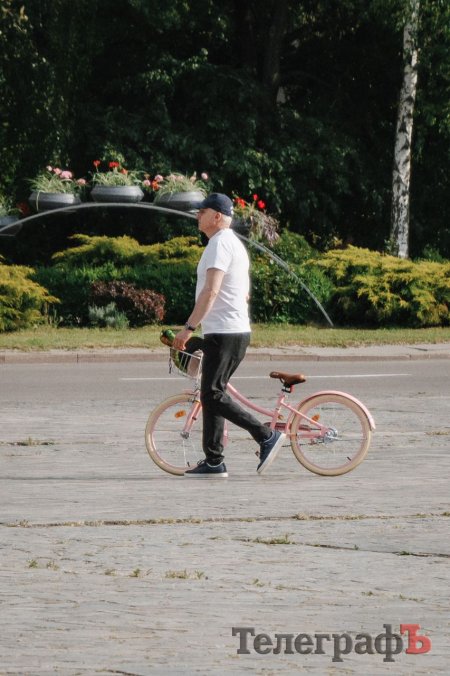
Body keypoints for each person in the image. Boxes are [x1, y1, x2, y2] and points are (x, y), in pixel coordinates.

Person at [172, 193, 285, 478]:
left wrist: (188, 328)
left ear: (217, 216)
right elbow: (241, 291)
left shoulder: (220, 243)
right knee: (213, 393)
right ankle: (214, 461)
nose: (197, 216)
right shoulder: (230, 243)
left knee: (211, 394)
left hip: (226, 332)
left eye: (202, 211)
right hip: (226, 330)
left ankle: (266, 436)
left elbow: (211, 291)